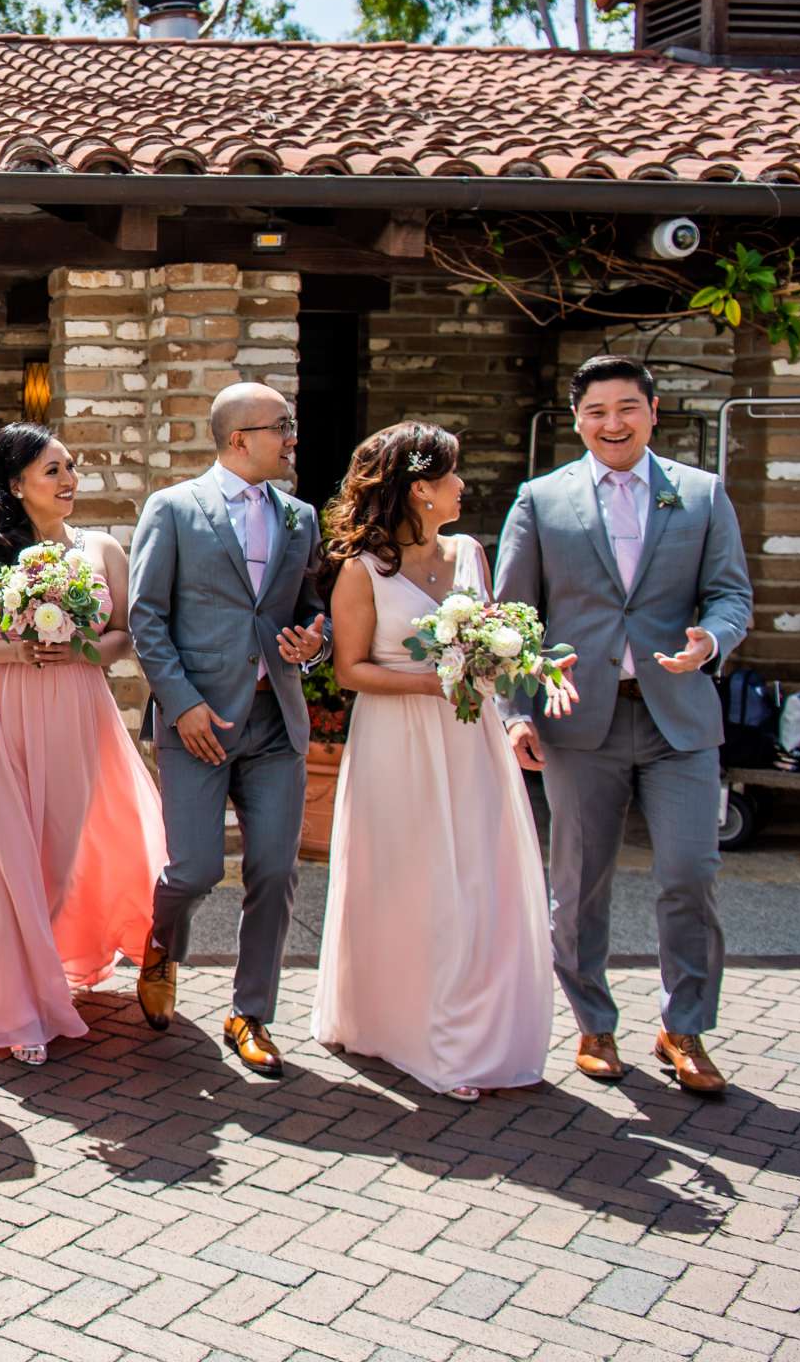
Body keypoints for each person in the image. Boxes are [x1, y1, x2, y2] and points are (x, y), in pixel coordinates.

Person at [498, 355, 753, 1096]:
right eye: (598, 412)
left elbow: (730, 594)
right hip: (581, 721)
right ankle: (593, 1022)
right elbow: (516, 619)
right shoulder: (542, 500)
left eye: (627, 409)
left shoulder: (701, 496)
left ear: (653, 410)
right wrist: (518, 712)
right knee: (578, 884)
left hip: (679, 721)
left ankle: (686, 1028)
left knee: (690, 874)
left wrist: (712, 639)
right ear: (577, 419)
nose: (613, 424)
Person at [0, 426, 166, 1065]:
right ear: (16, 485)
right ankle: (16, 1007)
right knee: (2, 851)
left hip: (73, 713)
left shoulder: (102, 549)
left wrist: (77, 648)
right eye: (53, 471)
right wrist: (15, 650)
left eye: (71, 468)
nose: (68, 480)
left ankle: (45, 972)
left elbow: (123, 636)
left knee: (56, 853)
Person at [312, 422, 565, 1102]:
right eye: (452, 477)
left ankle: (475, 1028)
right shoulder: (363, 571)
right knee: (413, 882)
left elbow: (488, 640)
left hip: (469, 737)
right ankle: (412, 1029)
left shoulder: (470, 556)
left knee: (477, 879)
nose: (463, 487)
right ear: (420, 490)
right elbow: (351, 670)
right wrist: (432, 683)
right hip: (398, 740)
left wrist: (514, 662)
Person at [126, 381, 328, 1078]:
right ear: (239, 438)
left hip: (276, 720)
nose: (292, 438)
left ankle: (251, 1012)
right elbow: (146, 616)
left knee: (274, 869)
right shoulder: (174, 509)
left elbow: (309, 608)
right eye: (282, 427)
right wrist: (180, 705)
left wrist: (313, 641)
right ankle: (159, 944)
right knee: (195, 868)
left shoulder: (301, 517)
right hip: (198, 723)